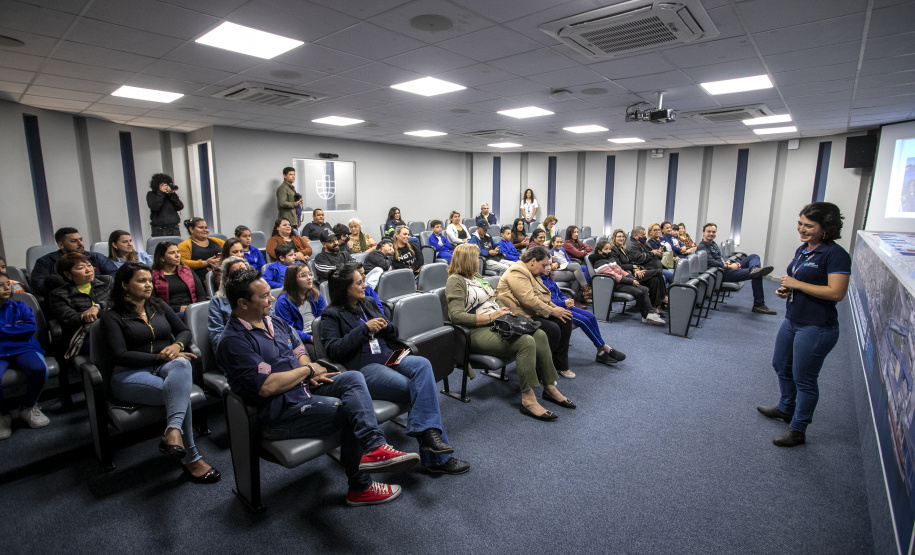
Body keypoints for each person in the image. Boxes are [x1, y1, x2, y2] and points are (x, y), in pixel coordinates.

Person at [217, 269, 421, 506]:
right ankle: (360, 487)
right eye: (263, 296)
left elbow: (300, 352)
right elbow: (266, 386)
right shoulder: (233, 341)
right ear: (242, 303)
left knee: (353, 377)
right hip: (279, 413)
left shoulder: (274, 322)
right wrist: (308, 372)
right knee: (349, 411)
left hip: (302, 389)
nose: (271, 299)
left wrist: (307, 370)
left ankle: (375, 447)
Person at [321, 264, 470, 475]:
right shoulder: (331, 314)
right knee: (417, 387)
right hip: (365, 367)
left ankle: (428, 435)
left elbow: (394, 333)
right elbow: (334, 350)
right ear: (346, 288)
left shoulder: (368, 303)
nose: (365, 285)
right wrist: (364, 329)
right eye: (359, 282)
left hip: (389, 356)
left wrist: (387, 327)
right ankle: (435, 453)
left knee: (423, 365)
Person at [101, 262, 219, 483]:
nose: (148, 285)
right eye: (141, 281)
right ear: (125, 285)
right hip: (129, 374)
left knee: (183, 364)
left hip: (166, 367)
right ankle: (192, 458)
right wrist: (161, 356)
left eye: (149, 280)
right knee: (179, 394)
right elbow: (120, 354)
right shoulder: (112, 316)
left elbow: (183, 331)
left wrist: (177, 347)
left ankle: (173, 430)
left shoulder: (158, 305)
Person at [757, 202, 851, 448]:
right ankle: (786, 407)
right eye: (800, 223)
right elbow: (798, 278)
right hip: (793, 319)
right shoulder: (804, 250)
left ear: (826, 228)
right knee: (780, 364)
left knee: (805, 379)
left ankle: (798, 429)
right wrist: (787, 288)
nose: (802, 229)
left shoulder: (835, 254)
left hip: (817, 326)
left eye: (809, 226)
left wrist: (797, 285)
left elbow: (836, 292)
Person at [445, 244, 571, 421]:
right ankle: (528, 399)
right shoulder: (455, 280)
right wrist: (491, 316)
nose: (478, 261)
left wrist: (503, 310)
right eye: (475, 257)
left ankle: (550, 387)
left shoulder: (476, 276)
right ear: (467, 260)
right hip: (475, 331)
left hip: (497, 322)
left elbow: (493, 297)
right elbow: (456, 316)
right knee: (525, 342)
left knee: (540, 334)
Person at [497, 247, 575, 379]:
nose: (546, 268)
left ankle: (560, 364)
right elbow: (529, 300)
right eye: (543, 264)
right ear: (533, 261)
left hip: (530, 312)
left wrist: (556, 308)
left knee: (565, 319)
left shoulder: (534, 273)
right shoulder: (517, 271)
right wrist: (551, 311)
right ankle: (541, 369)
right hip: (516, 316)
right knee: (552, 329)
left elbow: (543, 296)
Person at [539, 263, 627, 366]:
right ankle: (603, 347)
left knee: (591, 316)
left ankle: (601, 351)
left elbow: (560, 293)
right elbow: (546, 300)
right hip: (555, 309)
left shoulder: (548, 277)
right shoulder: (539, 280)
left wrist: (567, 300)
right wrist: (563, 303)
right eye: (545, 266)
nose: (549, 268)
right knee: (583, 320)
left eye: (549, 264)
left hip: (563, 305)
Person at [0, 273, 51, 438]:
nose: (7, 287)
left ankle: (28, 407)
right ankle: (2, 414)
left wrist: (2, 331)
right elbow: (20, 329)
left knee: (39, 369)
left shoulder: (20, 305)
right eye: (1, 285)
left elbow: (29, 328)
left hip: (24, 347)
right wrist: (14, 328)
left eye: (7, 283)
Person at [696, 223, 775, 314]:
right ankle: (759, 304)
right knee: (757, 274)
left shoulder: (713, 244)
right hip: (722, 273)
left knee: (754, 256)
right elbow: (711, 262)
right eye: (708, 231)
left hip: (726, 267)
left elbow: (719, 257)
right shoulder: (702, 247)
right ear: (703, 232)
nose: (711, 234)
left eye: (713, 232)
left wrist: (729, 262)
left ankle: (754, 269)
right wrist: (729, 266)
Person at [49, 253, 114, 357]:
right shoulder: (58, 294)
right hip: (86, 333)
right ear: (68, 274)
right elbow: (69, 318)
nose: (88, 270)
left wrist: (98, 307)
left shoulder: (107, 281)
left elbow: (120, 301)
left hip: (115, 326)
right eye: (80, 268)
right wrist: (92, 315)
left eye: (89, 265)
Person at [589, 241, 665, 327]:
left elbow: (621, 270)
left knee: (644, 289)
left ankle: (649, 314)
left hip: (621, 282)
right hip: (613, 285)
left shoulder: (610, 259)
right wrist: (631, 282)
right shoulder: (599, 262)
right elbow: (615, 276)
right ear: (600, 251)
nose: (609, 251)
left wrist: (632, 278)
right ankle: (647, 314)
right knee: (639, 292)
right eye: (606, 249)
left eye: (609, 249)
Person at [30, 227, 118, 297]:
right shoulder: (45, 261)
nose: (80, 243)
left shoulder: (96, 257)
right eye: (74, 241)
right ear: (61, 245)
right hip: (66, 300)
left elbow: (115, 275)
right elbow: (38, 286)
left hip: (99, 296)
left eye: (81, 239)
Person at [273, 264, 325, 360]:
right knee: (317, 354)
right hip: (301, 339)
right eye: (303, 275)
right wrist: (310, 338)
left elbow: (324, 317)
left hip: (318, 332)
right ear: (293, 280)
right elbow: (289, 330)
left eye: (310, 274)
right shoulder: (283, 302)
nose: (309, 278)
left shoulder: (316, 294)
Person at [609, 229, 666, 310]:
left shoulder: (623, 249)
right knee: (657, 272)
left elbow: (631, 262)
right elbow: (619, 266)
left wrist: (636, 270)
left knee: (655, 280)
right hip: (627, 276)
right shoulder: (613, 250)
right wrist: (633, 267)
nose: (621, 238)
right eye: (619, 237)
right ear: (614, 238)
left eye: (623, 237)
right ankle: (663, 297)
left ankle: (654, 307)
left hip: (633, 273)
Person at [151, 241, 204, 320]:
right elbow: (153, 302)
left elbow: (201, 295)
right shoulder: (154, 276)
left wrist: (196, 308)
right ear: (162, 257)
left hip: (192, 310)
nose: (177, 255)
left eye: (178, 252)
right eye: (172, 253)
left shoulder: (187, 271)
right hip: (170, 313)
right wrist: (176, 308)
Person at [207, 255, 250, 349]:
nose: (242, 275)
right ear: (226, 278)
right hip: (235, 349)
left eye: (243, 270)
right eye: (236, 272)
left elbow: (271, 321)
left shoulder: (257, 295)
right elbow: (216, 337)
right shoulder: (217, 301)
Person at [178, 217, 223, 283]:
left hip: (221, 275)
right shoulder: (184, 246)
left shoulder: (218, 241)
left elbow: (231, 252)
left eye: (206, 227)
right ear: (191, 229)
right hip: (197, 280)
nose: (205, 230)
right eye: (201, 228)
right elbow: (183, 263)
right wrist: (205, 263)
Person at [549, 235, 590, 302]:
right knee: (577, 267)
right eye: (557, 242)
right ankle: (585, 288)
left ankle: (573, 298)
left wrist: (571, 266)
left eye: (560, 242)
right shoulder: (551, 252)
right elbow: (553, 265)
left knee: (577, 271)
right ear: (552, 243)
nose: (559, 244)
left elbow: (568, 259)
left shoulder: (562, 249)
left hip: (567, 265)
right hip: (560, 268)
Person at [147, 173, 184, 237]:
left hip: (174, 228)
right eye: (163, 185)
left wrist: (172, 194)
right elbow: (155, 207)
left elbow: (179, 206)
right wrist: (161, 193)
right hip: (160, 229)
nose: (166, 187)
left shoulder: (170, 195)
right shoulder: (151, 194)